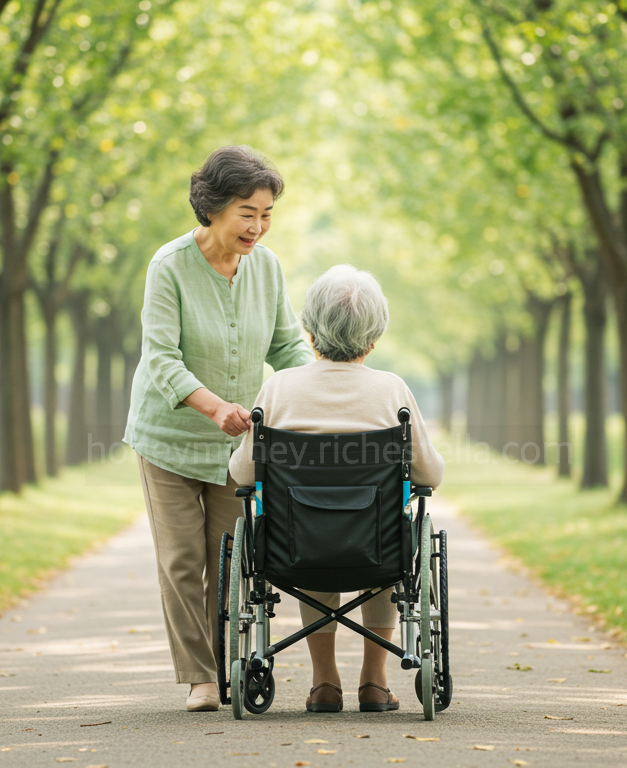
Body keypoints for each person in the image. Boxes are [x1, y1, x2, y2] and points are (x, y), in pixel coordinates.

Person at [124, 146, 314, 713]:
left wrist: (320, 389)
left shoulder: (268, 267)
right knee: (183, 561)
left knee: (230, 560)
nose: (257, 226)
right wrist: (213, 408)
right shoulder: (170, 265)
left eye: (266, 213)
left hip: (239, 446)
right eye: (246, 212)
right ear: (212, 208)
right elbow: (161, 358)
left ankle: (225, 661)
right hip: (169, 440)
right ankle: (200, 678)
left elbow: (286, 345)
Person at [229, 264, 445, 714]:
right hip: (377, 552)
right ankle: (375, 681)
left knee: (308, 521)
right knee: (387, 522)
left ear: (310, 331)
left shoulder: (279, 388)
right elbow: (430, 475)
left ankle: (324, 682)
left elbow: (243, 475)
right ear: (374, 335)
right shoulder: (392, 391)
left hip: (295, 551)